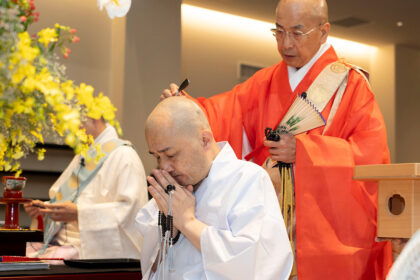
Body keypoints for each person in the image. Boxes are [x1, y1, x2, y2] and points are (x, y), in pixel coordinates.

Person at [161, 0, 392, 278]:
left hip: (322, 233)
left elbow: (370, 156)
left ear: (324, 31)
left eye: (297, 33)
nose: (285, 44)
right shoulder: (264, 82)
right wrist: (186, 109)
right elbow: (221, 115)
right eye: (278, 31)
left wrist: (306, 151)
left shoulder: (350, 86)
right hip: (267, 222)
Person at [136, 97, 293, 279]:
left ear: (204, 140)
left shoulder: (247, 179)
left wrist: (188, 223)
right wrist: (169, 231)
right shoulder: (171, 189)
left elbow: (253, 264)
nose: (164, 167)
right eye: (156, 157)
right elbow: (152, 268)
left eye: (171, 155)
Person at [24, 117, 148, 260]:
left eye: (75, 123)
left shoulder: (125, 156)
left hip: (92, 250)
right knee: (16, 254)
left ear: (93, 118)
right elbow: (67, 200)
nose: (71, 132)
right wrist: (45, 210)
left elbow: (130, 213)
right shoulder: (84, 155)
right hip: (64, 243)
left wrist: (79, 214)